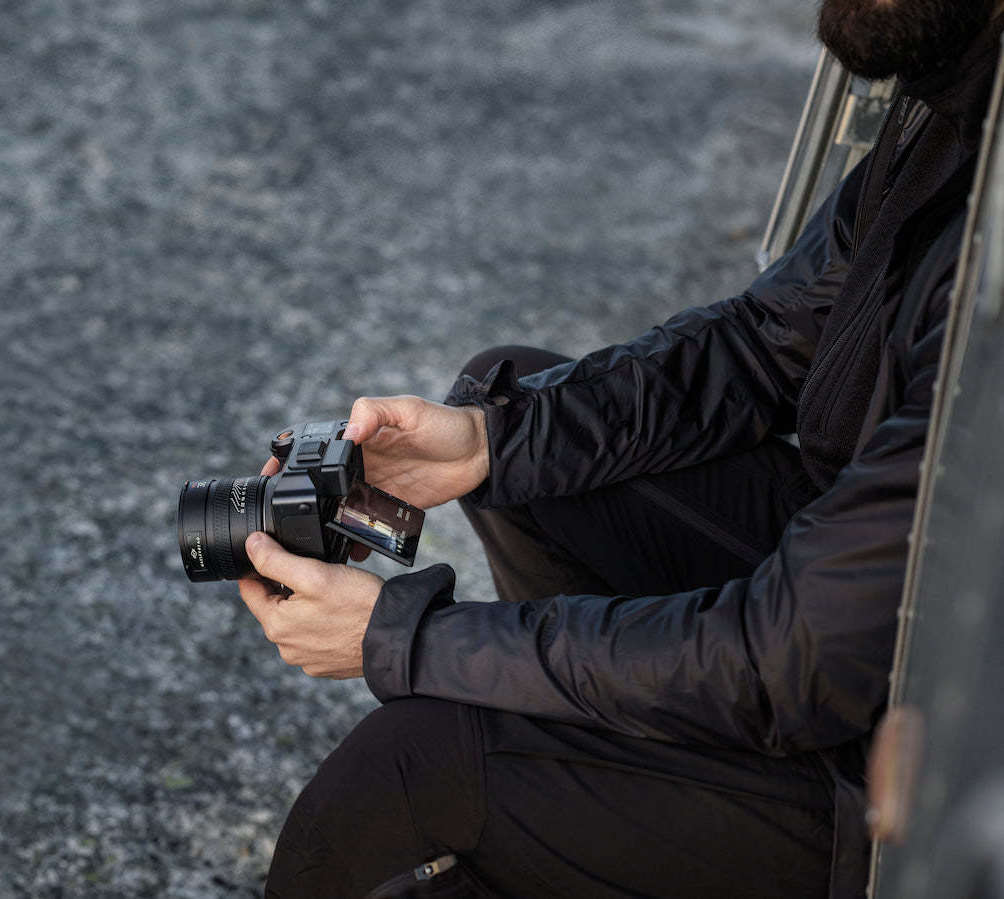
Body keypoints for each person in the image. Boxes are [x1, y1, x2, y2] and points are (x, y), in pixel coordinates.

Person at [237, 1, 1004, 896]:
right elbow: (765, 341)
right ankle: (592, 793)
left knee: (417, 762)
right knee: (521, 423)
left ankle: (599, 801)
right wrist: (494, 440)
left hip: (910, 785)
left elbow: (781, 657)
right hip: (866, 609)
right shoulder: (959, 98)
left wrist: (402, 636)